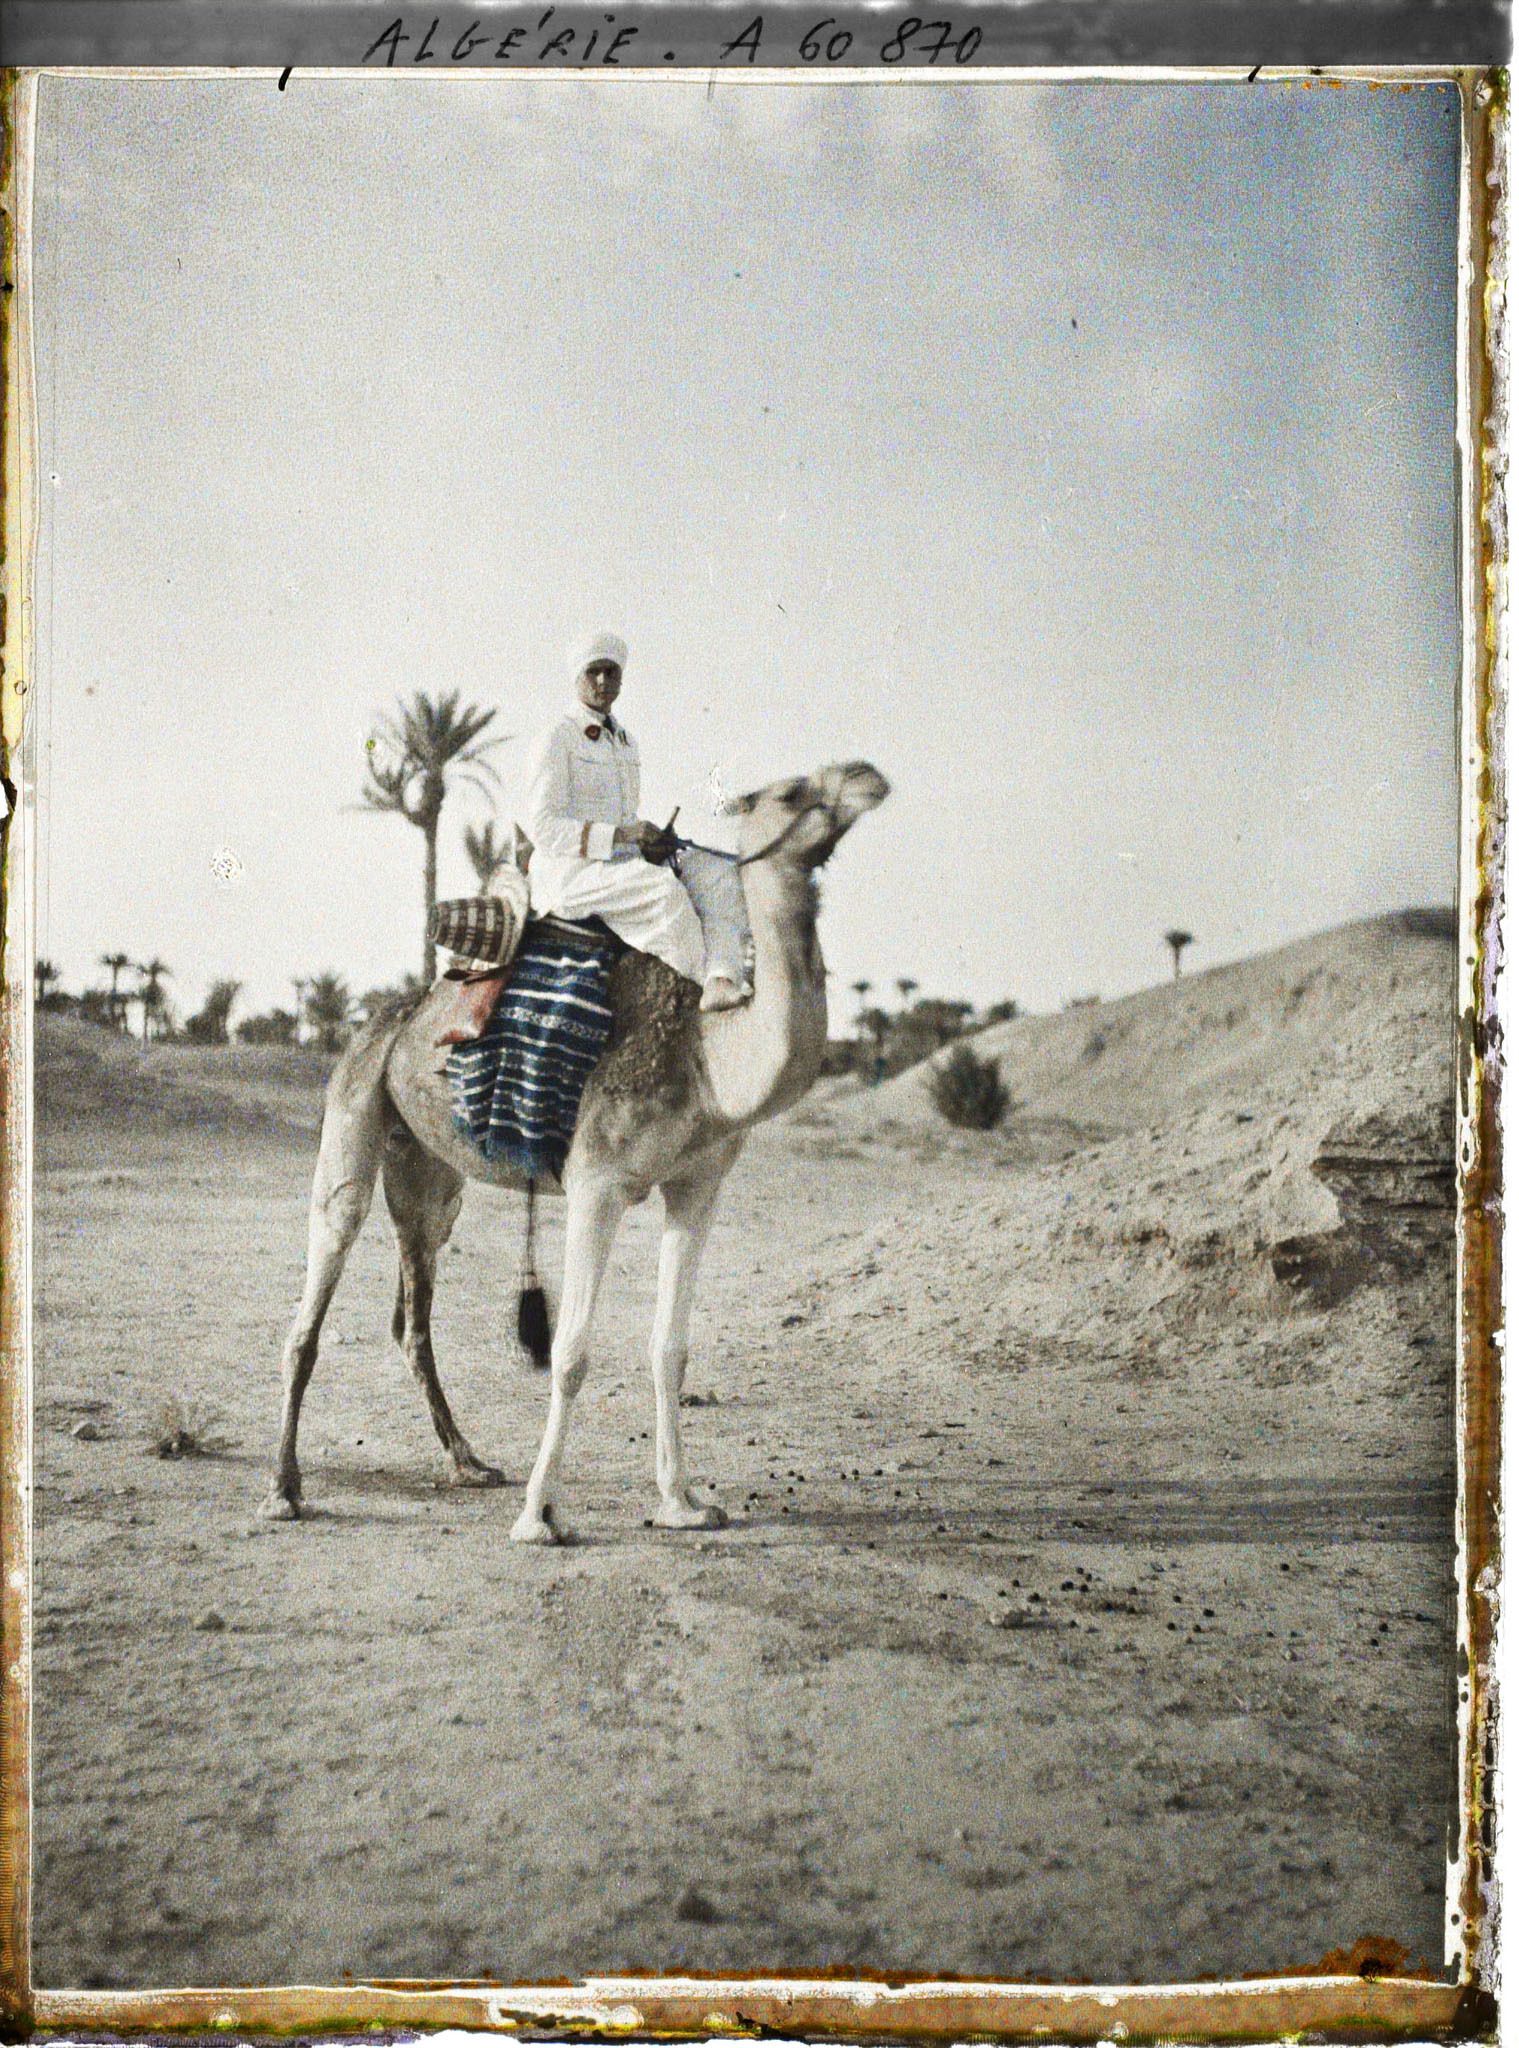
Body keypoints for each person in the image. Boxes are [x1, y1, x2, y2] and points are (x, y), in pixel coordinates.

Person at [520, 632, 751, 1013]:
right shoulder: (557, 737)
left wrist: (647, 840)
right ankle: (700, 988)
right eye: (593, 672)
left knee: (719, 877)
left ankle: (722, 979)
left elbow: (620, 819)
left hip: (621, 864)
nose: (602, 682)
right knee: (664, 893)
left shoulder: (626, 741)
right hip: (569, 874)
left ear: (621, 679)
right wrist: (625, 835)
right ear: (577, 677)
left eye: (611, 672)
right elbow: (544, 828)